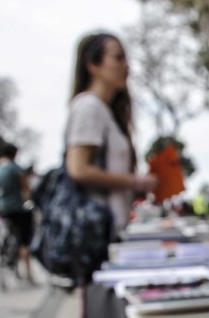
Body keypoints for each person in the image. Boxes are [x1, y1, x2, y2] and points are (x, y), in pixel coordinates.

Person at [65, 32, 157, 238]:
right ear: (93, 64)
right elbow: (78, 169)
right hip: (92, 232)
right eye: (118, 57)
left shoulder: (105, 112)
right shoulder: (89, 106)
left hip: (109, 230)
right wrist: (135, 182)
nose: (126, 66)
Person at [0, 143, 37, 283]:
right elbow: (26, 187)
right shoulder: (14, 168)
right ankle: (28, 274)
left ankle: (5, 250)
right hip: (18, 207)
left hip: (2, 207)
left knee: (8, 232)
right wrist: (29, 200)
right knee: (24, 240)